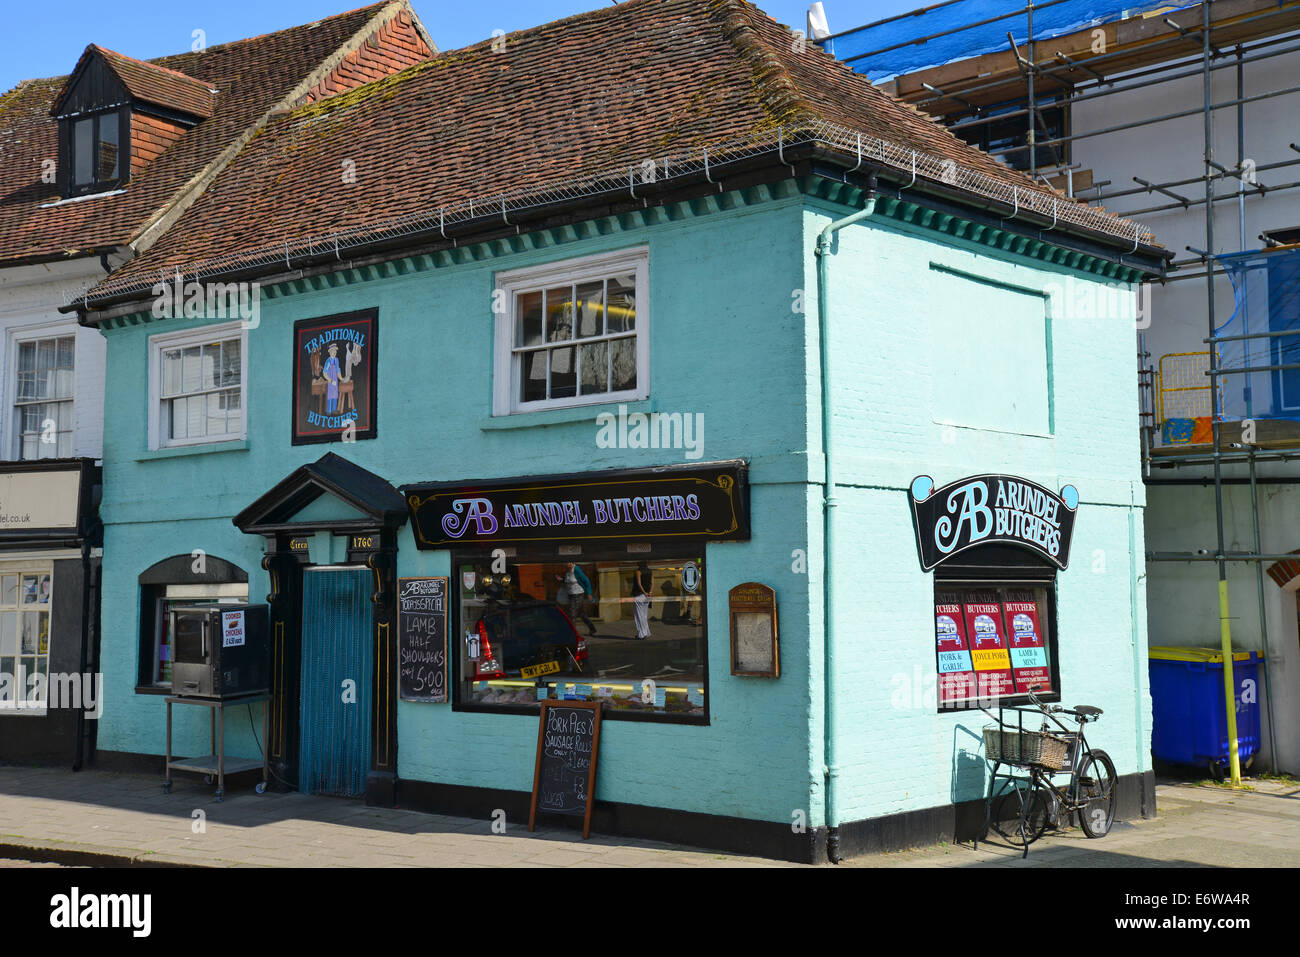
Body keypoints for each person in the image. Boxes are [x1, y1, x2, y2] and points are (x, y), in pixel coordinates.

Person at [555, 562, 597, 636]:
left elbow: (586, 581)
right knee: (582, 614)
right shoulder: (568, 571)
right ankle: (592, 629)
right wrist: (561, 579)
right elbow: (568, 580)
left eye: (569, 563)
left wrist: (589, 593)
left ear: (573, 563)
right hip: (571, 595)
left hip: (578, 594)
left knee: (572, 614)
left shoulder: (577, 570)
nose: (567, 565)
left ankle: (572, 634)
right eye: (566, 564)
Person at [632, 562, 652, 640]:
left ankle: (642, 634)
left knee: (639, 616)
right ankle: (646, 632)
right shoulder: (650, 571)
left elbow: (639, 584)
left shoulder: (638, 571)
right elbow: (652, 583)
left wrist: (644, 593)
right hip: (648, 594)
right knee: (644, 615)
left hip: (640, 595)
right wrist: (649, 592)